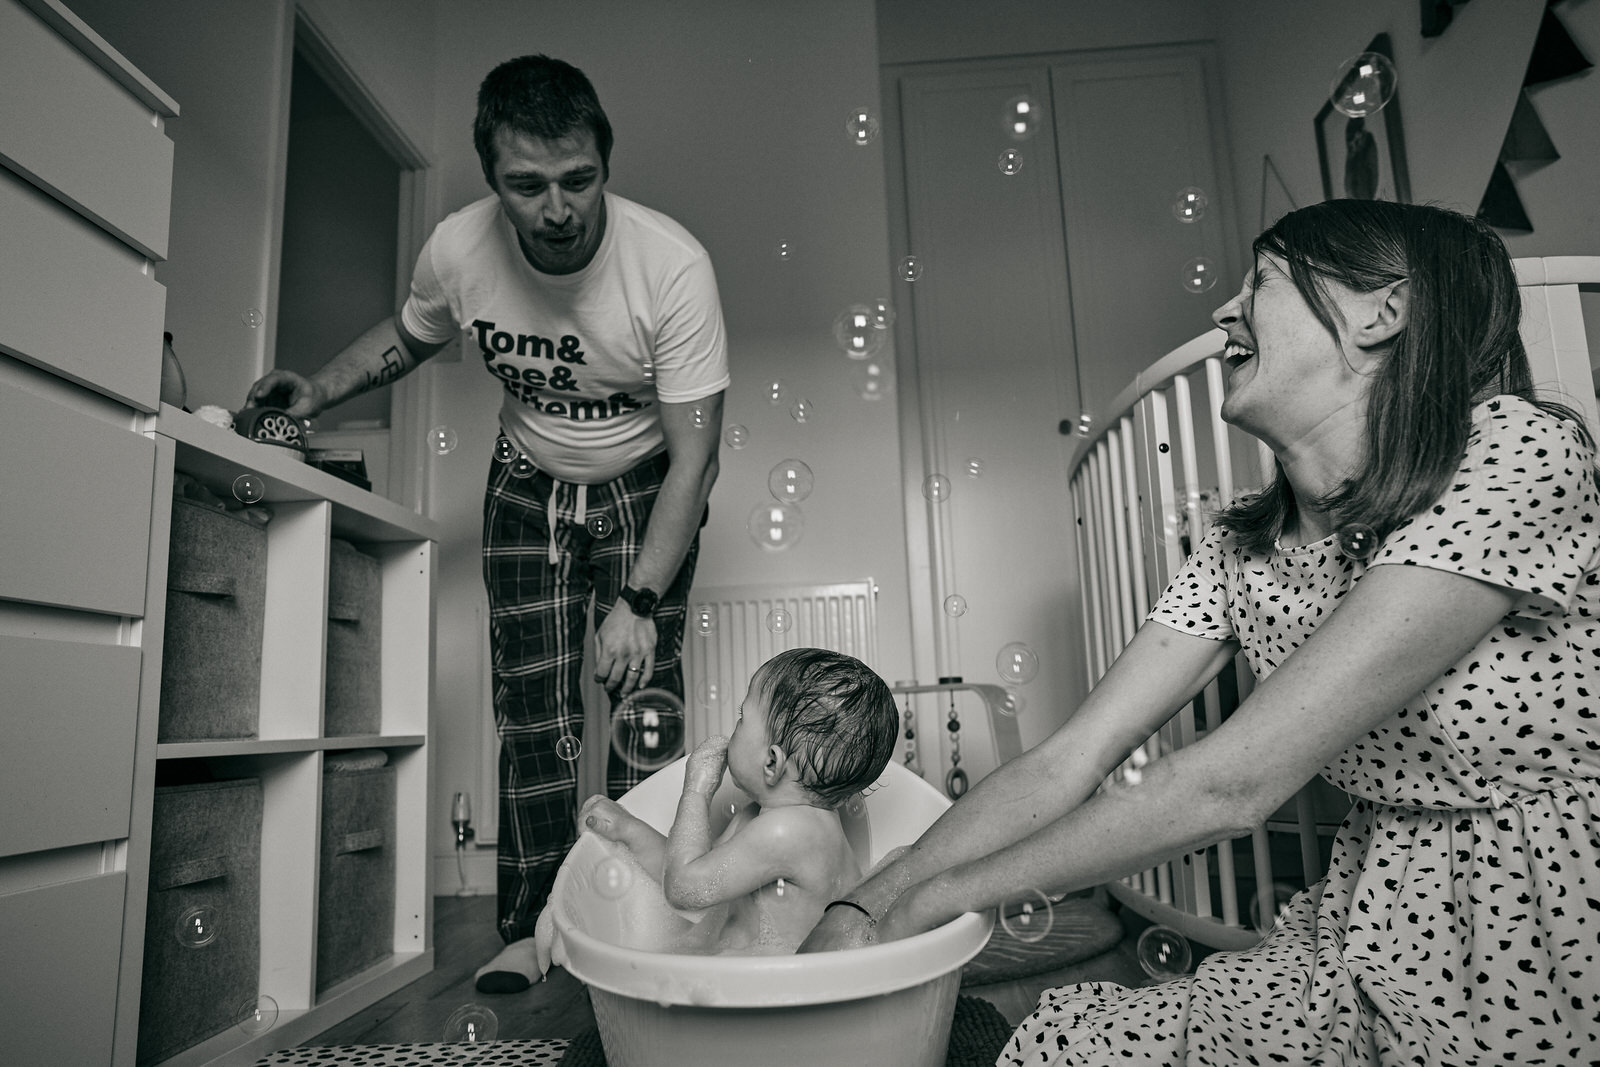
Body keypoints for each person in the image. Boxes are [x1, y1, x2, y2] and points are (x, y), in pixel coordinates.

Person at [802, 199, 1600, 1065]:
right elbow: (1069, 758)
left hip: (1547, 910)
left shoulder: (1516, 452)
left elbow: (1232, 781)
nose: (1226, 311)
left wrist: (940, 899)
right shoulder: (1238, 546)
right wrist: (864, 903)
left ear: (1383, 311)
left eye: (1261, 281)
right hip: (1372, 910)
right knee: (1062, 1048)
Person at [244, 55, 729, 994]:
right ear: (492, 180)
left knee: (641, 705)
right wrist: (319, 389)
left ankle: (645, 920)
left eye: (579, 179)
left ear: (604, 164)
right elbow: (404, 336)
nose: (558, 209)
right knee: (533, 707)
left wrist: (637, 597)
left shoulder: (673, 268)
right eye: (528, 184)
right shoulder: (459, 250)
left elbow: (695, 455)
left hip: (646, 480)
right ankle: (537, 926)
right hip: (524, 479)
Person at [538, 647, 899, 967]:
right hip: (757, 968)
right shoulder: (766, 818)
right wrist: (629, 830)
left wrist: (696, 791)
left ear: (771, 763)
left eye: (743, 718)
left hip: (782, 987)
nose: (733, 728)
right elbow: (700, 877)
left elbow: (684, 890)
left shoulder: (788, 831)